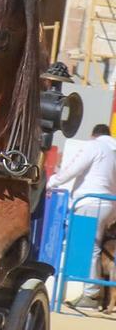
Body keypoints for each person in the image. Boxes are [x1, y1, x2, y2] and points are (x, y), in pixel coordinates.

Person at [51, 123, 116, 309]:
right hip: (108, 204)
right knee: (92, 249)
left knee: (86, 249)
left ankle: (90, 295)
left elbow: (72, 169)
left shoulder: (94, 146)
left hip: (88, 202)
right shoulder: (113, 151)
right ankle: (93, 293)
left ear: (93, 134)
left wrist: (53, 182)